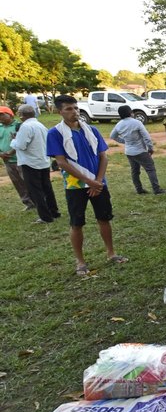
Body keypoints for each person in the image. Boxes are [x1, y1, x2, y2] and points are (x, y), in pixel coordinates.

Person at [46, 95, 128, 276]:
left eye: (75, 108)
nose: (74, 112)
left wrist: (97, 181)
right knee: (77, 223)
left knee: (104, 218)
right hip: (75, 186)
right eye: (68, 109)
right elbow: (62, 162)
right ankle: (80, 261)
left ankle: (111, 253)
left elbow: (103, 156)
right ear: (59, 111)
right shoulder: (55, 134)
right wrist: (89, 181)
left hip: (98, 183)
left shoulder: (91, 130)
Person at [10, 104, 59, 223]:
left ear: (21, 115)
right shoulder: (40, 125)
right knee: (47, 188)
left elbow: (21, 145)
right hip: (42, 161)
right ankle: (54, 211)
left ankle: (45, 217)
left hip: (30, 163)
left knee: (35, 190)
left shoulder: (26, 126)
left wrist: (13, 141)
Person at [110, 106, 166, 195]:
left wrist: (124, 141)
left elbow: (112, 136)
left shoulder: (119, 124)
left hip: (129, 151)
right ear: (130, 113)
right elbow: (146, 137)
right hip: (140, 150)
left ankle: (139, 189)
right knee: (150, 169)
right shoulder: (137, 123)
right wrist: (150, 148)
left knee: (135, 171)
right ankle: (156, 189)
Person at [0, 105, 34, 210]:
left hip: (20, 160)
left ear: (10, 114)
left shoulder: (19, 126)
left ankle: (37, 201)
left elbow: (22, 142)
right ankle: (28, 203)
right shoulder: (0, 127)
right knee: (17, 183)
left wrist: (10, 152)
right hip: (7, 161)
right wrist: (1, 154)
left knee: (28, 181)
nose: (0, 117)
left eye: (2, 115)